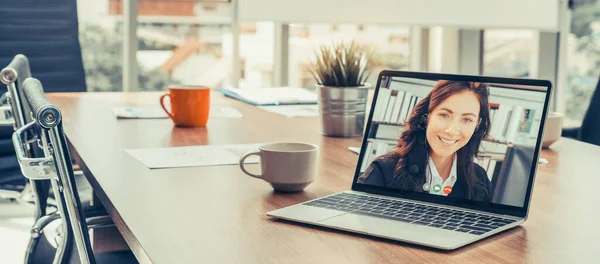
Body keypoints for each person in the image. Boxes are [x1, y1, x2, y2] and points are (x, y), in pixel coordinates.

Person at [358, 80, 494, 202]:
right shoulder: (383, 171)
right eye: (444, 115)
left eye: (467, 119)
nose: (452, 130)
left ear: (477, 124)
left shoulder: (480, 179)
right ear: (426, 116)